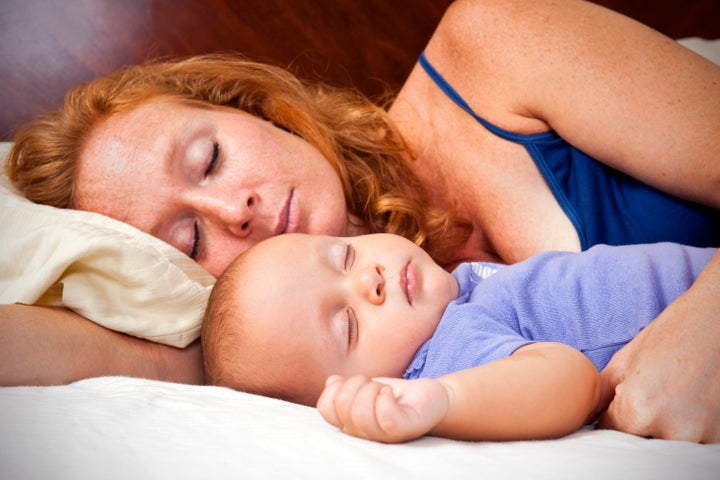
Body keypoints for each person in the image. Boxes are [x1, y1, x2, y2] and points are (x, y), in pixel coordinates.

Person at [1, 0, 719, 441]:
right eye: (190, 239)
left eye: (210, 157)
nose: (234, 212)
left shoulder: (496, 44)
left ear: (252, 107)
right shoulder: (306, 347)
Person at [201, 233, 715, 443]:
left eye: (346, 255)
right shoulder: (444, 354)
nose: (369, 280)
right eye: (349, 324)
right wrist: (446, 400)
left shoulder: (450, 300)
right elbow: (569, 379)